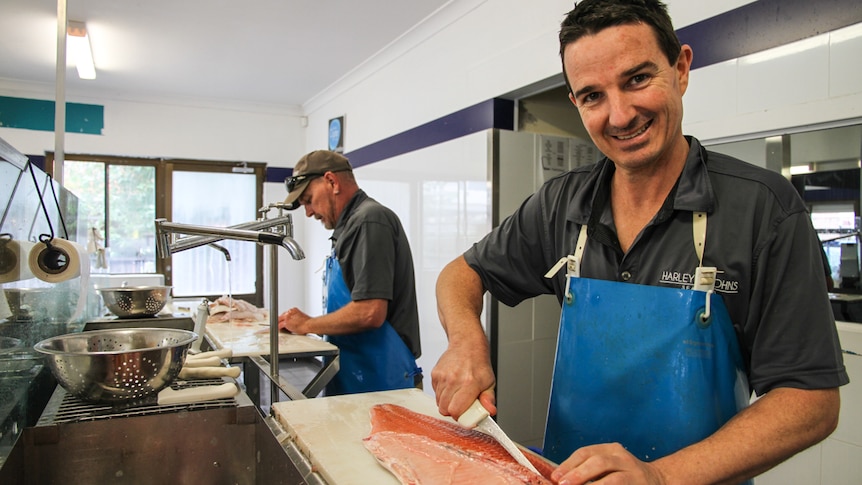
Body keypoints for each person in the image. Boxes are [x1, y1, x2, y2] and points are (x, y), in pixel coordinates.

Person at [431, 1, 848, 484]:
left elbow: (812, 400)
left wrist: (661, 477)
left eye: (637, 79)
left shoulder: (765, 209)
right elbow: (461, 274)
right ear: (577, 104)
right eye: (592, 96)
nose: (620, 115)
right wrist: (465, 341)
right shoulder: (562, 203)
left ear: (681, 68)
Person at [279, 150, 422, 395]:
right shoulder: (348, 226)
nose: (309, 212)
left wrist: (308, 324)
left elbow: (369, 312)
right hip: (357, 373)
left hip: (381, 378)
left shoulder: (369, 221)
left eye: (309, 199)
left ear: (332, 182)